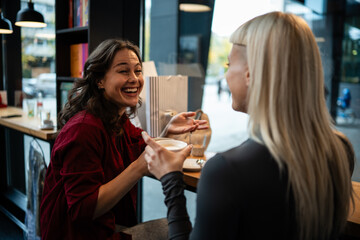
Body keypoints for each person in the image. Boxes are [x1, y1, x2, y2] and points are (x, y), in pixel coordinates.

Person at [142, 11, 355, 240]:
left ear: (250, 75)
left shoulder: (226, 171)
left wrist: (171, 180)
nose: (225, 76)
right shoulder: (340, 149)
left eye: (228, 64)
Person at [40, 39, 208, 240]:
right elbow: (83, 210)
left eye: (137, 71)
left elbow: (140, 149)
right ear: (99, 80)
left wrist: (167, 133)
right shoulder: (83, 129)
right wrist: (138, 168)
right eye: (123, 71)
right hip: (77, 233)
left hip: (105, 225)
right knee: (176, 229)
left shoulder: (115, 119)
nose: (135, 79)